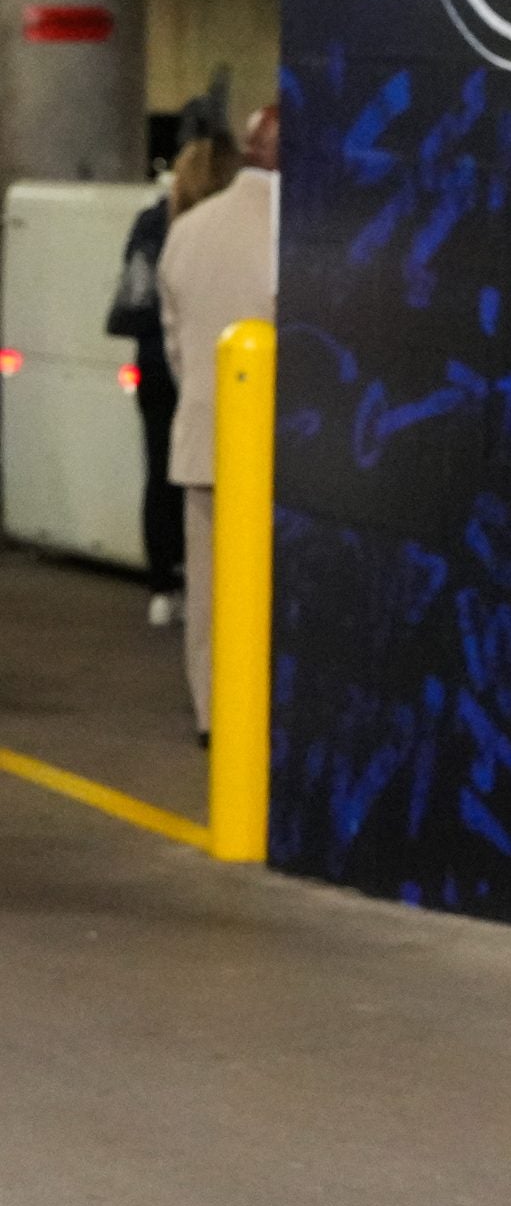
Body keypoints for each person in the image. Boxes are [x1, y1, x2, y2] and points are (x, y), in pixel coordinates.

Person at [158, 107, 278, 743]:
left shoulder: (189, 227)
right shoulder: (298, 232)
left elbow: (174, 341)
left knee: (208, 595)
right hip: (279, 451)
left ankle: (213, 717)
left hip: (202, 438)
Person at [108, 133, 241, 625]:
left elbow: (140, 293)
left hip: (155, 366)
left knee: (162, 471)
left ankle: (163, 583)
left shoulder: (152, 223)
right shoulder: (228, 228)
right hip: (217, 370)